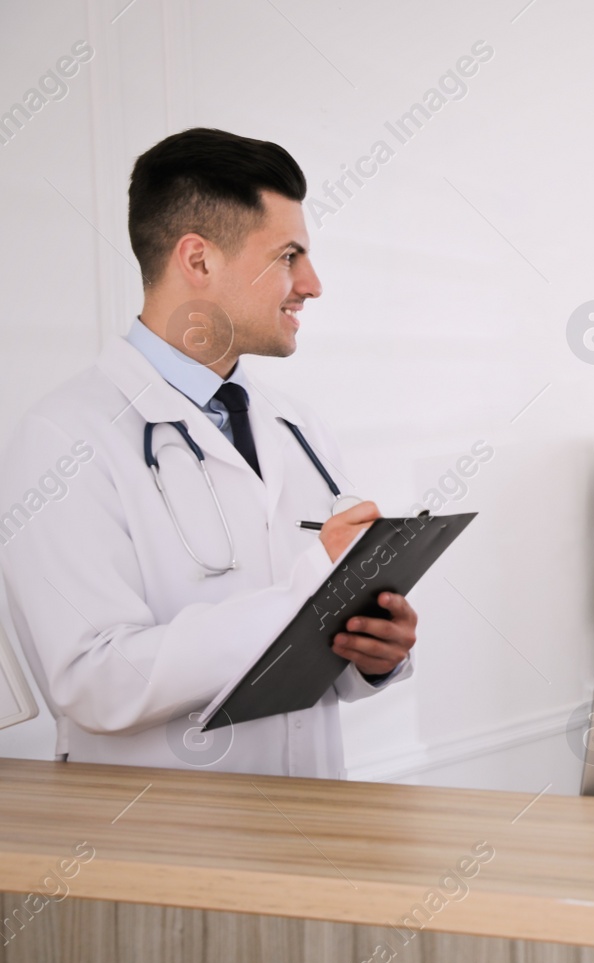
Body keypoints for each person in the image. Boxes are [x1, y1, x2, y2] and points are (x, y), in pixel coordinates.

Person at [0, 128, 417, 776]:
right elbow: (93, 682)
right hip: (166, 847)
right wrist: (310, 589)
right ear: (198, 261)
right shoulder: (65, 438)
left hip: (310, 823)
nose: (312, 283)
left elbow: (306, 660)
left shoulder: (295, 426)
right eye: (288, 255)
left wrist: (370, 653)